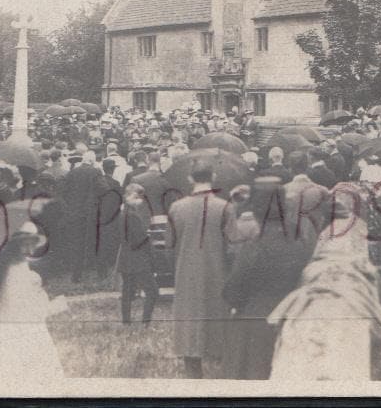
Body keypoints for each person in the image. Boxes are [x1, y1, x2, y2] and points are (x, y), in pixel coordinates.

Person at [268, 188, 381, 381]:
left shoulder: (324, 233)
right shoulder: (359, 229)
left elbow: (312, 263)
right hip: (347, 285)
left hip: (322, 285)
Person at [222, 178, 314, 379]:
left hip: (258, 322)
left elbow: (234, 287)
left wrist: (237, 302)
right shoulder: (298, 236)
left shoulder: (256, 244)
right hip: (294, 314)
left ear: (258, 208)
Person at [166, 162, 235, 378]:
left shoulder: (177, 208)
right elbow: (233, 247)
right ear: (213, 176)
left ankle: (193, 372)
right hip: (218, 272)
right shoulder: (225, 207)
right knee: (216, 317)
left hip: (186, 271)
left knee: (189, 320)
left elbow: (169, 246)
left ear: (190, 179)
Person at [0, 221, 65, 381]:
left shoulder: (20, 267)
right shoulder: (15, 271)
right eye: (25, 245)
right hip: (22, 329)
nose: (30, 250)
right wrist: (57, 305)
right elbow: (29, 311)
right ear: (15, 246)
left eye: (32, 245)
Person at [62, 150, 111, 282]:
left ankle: (76, 275)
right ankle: (101, 273)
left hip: (75, 212)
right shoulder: (95, 172)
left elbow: (64, 191)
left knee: (77, 243)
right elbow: (105, 189)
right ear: (93, 161)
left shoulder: (72, 172)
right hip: (91, 213)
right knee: (96, 243)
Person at [117, 183, 159, 324]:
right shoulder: (133, 216)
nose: (140, 201)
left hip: (125, 258)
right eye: (137, 197)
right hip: (139, 260)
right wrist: (147, 239)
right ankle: (146, 321)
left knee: (127, 292)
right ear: (130, 197)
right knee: (152, 291)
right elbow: (140, 240)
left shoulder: (122, 214)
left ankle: (126, 322)